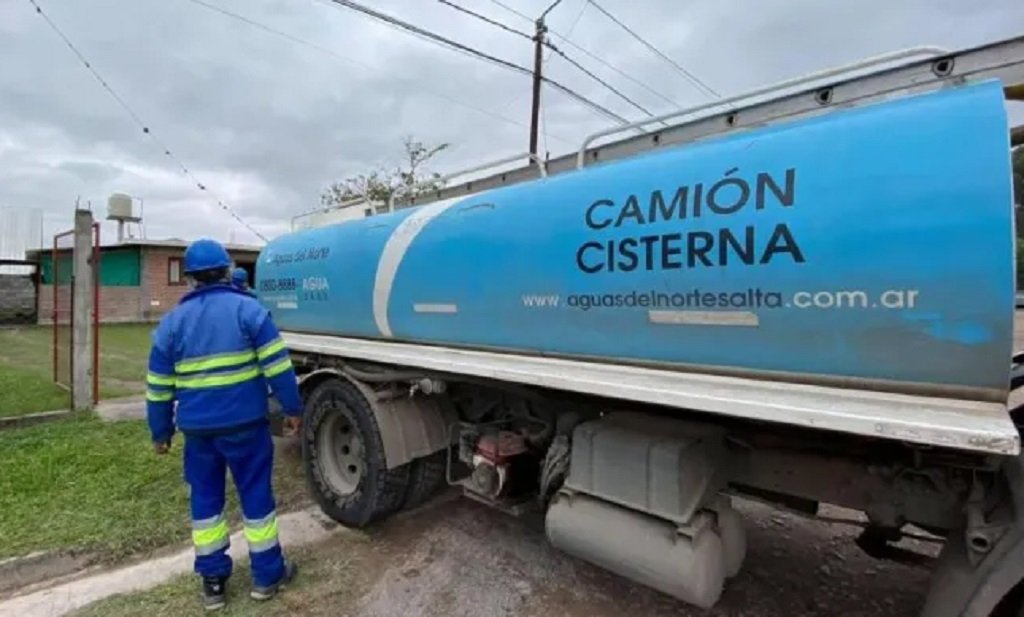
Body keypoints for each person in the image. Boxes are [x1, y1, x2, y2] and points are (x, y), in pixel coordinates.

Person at [146, 239, 303, 611]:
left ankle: (213, 583)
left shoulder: (171, 324)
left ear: (190, 279)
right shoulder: (249, 311)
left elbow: (157, 388)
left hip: (199, 434)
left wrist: (161, 432)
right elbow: (278, 368)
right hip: (246, 427)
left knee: (206, 502)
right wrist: (292, 407)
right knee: (256, 498)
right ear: (226, 270)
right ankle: (267, 576)